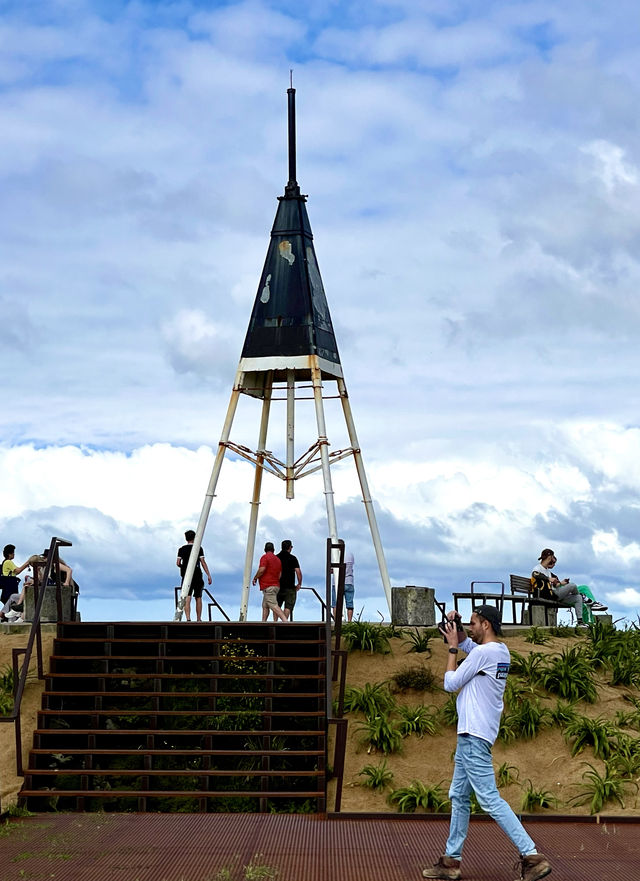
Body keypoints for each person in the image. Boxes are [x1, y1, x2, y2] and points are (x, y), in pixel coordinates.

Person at [422, 605, 551, 881]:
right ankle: (451, 861)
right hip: (475, 734)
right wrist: (453, 627)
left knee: (490, 800)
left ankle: (532, 856)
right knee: (459, 797)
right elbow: (469, 643)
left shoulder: (483, 653)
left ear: (486, 625)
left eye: (473, 623)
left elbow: (451, 682)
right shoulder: (499, 651)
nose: (470, 627)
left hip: (473, 735)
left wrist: (453, 649)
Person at [533, 549, 607, 626]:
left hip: (555, 594)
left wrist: (561, 583)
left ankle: (580, 622)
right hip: (551, 595)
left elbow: (553, 585)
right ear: (549, 557)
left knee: (578, 598)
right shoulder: (538, 568)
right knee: (572, 585)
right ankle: (585, 597)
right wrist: (549, 579)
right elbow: (535, 574)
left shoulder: (547, 571)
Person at [176, 530, 212, 622]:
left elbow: (178, 562)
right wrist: (208, 574)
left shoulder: (181, 549)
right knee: (198, 597)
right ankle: (199, 619)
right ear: (194, 538)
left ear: (186, 538)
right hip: (197, 574)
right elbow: (203, 562)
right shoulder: (198, 548)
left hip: (186, 575)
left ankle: (188, 618)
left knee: (187, 597)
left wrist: (183, 566)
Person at [252, 541, 287, 623]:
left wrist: (255, 578)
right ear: (273, 550)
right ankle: (263, 622)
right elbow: (280, 575)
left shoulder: (265, 557)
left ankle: (285, 621)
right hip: (276, 585)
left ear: (265, 549)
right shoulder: (278, 560)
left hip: (268, 586)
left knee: (273, 605)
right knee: (265, 605)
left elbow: (262, 570)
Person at [275, 540, 302, 620]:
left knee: (276, 606)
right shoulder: (293, 558)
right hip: (290, 586)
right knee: (288, 606)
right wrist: (299, 583)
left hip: (278, 585)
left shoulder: (276, 558)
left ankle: (275, 622)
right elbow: (298, 572)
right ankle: (284, 623)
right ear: (290, 547)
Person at [331, 548, 355, 622]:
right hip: (349, 581)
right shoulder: (350, 555)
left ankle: (336, 621)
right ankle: (350, 621)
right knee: (350, 603)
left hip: (337, 582)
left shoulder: (335, 556)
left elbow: (331, 570)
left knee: (335, 604)